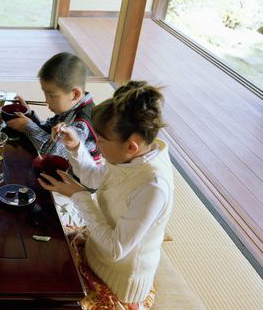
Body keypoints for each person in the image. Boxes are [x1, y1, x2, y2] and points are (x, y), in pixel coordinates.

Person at [38, 81, 173, 310]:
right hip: (93, 250)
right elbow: (95, 178)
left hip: (116, 282)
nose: (97, 145)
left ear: (131, 146)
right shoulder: (130, 158)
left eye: (101, 140)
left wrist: (79, 196)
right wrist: (75, 147)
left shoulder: (153, 186)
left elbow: (115, 250)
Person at [6, 52, 100, 225]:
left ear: (75, 94)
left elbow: (52, 153)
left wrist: (28, 126)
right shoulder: (71, 107)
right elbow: (49, 130)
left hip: (74, 189)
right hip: (61, 174)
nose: (46, 101)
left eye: (51, 95)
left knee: (14, 178)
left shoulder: (82, 123)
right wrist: (29, 116)